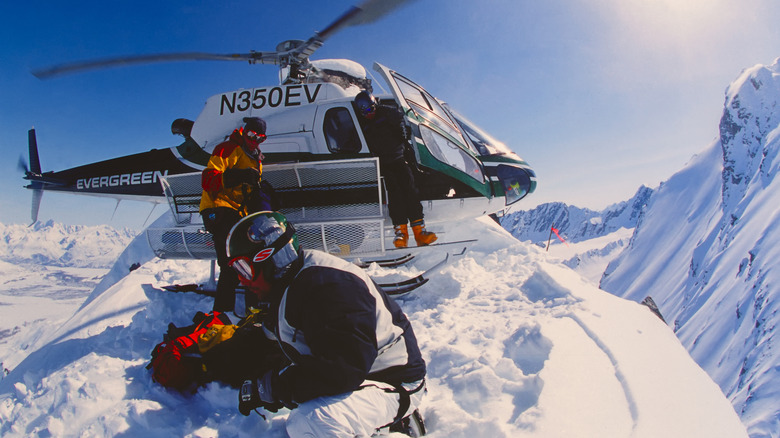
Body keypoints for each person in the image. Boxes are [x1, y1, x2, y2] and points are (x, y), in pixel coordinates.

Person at [227, 211, 427, 437]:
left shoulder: (330, 287)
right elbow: (271, 337)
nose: (241, 279)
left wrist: (275, 388)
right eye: (236, 270)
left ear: (275, 257)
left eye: (243, 268)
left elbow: (343, 369)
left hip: (393, 381)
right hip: (360, 375)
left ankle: (393, 425)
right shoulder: (287, 283)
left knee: (313, 421)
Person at [199, 116, 271, 312]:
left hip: (238, 213)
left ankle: (253, 312)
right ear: (244, 131)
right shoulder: (229, 148)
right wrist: (238, 176)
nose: (254, 141)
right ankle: (222, 315)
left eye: (260, 138)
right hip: (218, 207)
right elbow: (208, 180)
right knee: (232, 264)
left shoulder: (256, 157)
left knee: (252, 259)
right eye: (251, 135)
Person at [353, 90, 437, 248]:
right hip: (384, 164)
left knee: (410, 192)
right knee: (395, 196)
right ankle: (401, 235)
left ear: (375, 105)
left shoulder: (387, 113)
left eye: (370, 109)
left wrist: (402, 128)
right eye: (364, 112)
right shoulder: (363, 124)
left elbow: (401, 119)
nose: (368, 114)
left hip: (399, 159)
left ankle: (420, 233)